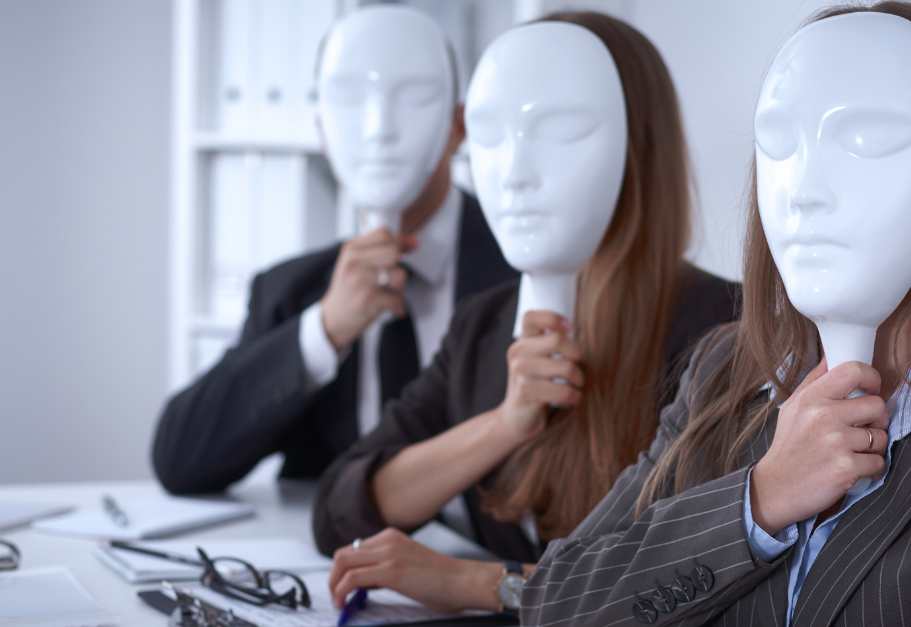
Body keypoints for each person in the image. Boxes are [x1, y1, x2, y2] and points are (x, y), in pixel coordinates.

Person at [519, 4, 911, 627]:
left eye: (867, 142)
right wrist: (758, 503)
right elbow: (554, 602)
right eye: (779, 142)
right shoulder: (724, 369)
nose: (804, 190)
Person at [313, 11, 741, 615]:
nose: (514, 174)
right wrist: (503, 425)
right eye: (490, 134)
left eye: (560, 131)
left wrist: (479, 583)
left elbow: (697, 573)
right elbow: (340, 510)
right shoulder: (484, 326)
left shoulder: (724, 330)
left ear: (636, 147)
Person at [152, 6, 517, 495]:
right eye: (349, 99)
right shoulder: (290, 292)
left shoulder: (524, 267)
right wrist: (321, 332)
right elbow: (179, 460)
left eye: (415, 98)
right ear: (322, 130)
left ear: (458, 127)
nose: (379, 128)